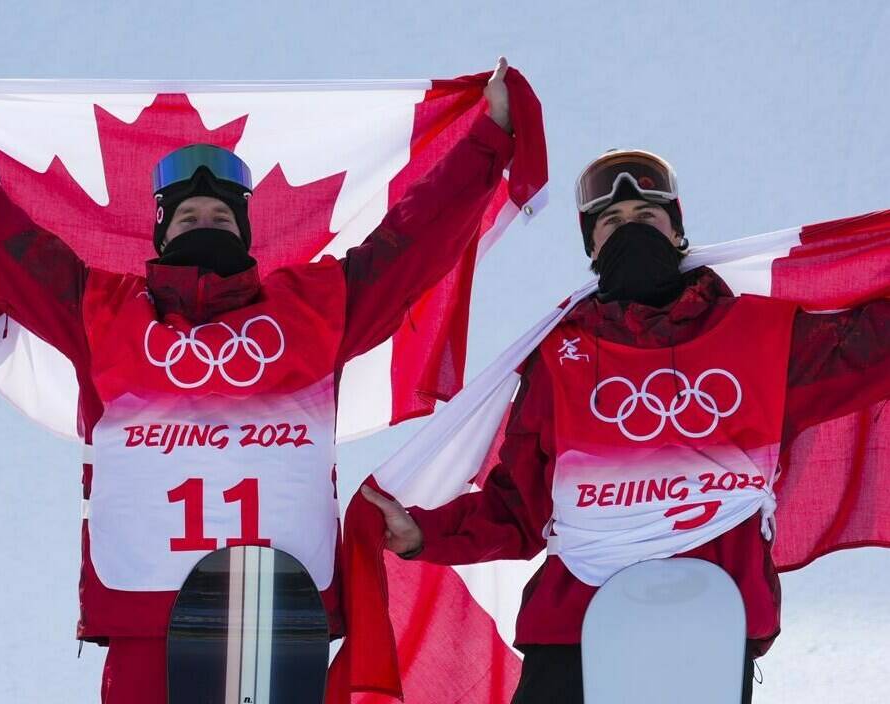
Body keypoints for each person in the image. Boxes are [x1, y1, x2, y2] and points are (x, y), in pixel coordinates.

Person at [0, 59, 516, 703]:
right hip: (145, 614)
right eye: (187, 219)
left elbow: (408, 243)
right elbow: (2, 241)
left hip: (274, 614)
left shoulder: (314, 308)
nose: (203, 222)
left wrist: (489, 139)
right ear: (159, 237)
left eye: (219, 215)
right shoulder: (102, 310)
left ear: (245, 235)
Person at [362, 149, 890, 703]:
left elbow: (869, 351)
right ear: (591, 246)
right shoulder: (561, 356)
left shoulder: (758, 338)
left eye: (646, 218)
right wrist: (425, 533)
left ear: (677, 231)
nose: (628, 232)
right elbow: (518, 509)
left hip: (704, 629)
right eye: (611, 224)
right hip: (575, 634)